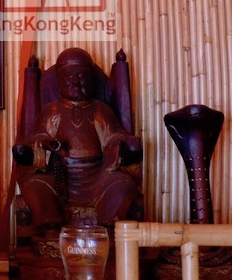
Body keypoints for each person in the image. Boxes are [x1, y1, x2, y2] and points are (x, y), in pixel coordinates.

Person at [20, 48, 142, 229]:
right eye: (69, 76)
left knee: (124, 184)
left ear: (92, 80)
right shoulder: (52, 110)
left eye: (82, 76)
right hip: (59, 177)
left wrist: (124, 143)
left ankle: (109, 222)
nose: (76, 81)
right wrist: (44, 143)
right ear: (59, 81)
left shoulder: (100, 109)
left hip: (98, 177)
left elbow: (113, 136)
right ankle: (49, 224)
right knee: (35, 186)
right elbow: (38, 135)